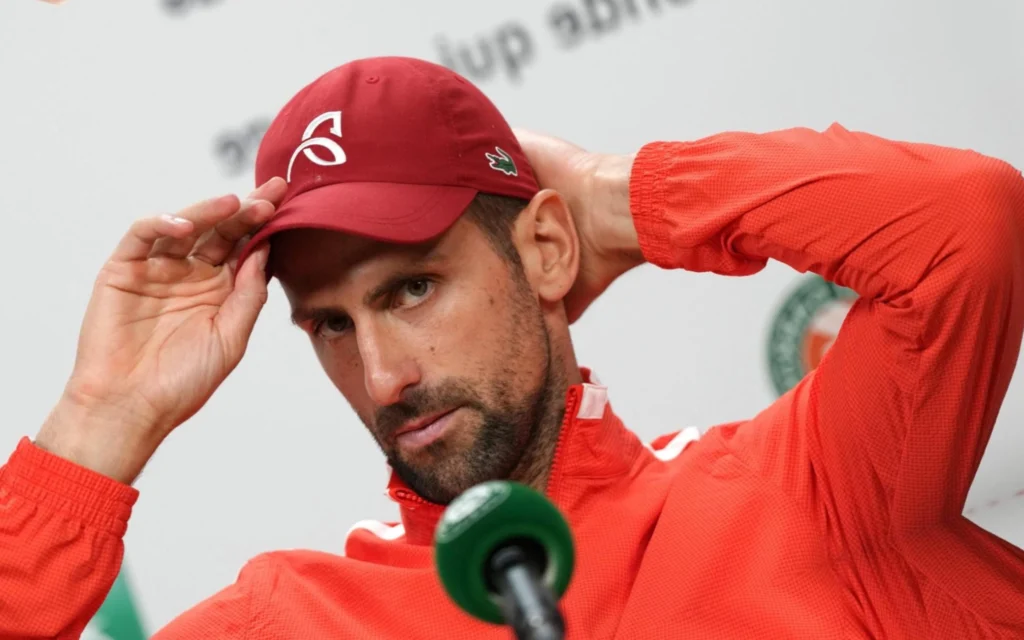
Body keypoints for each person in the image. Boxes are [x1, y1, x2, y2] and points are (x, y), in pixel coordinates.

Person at [2, 55, 1023, 639]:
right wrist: (100, 424)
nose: (385, 375)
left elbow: (965, 227)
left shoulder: (807, 485)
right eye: (331, 324)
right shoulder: (298, 621)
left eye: (411, 287)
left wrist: (626, 202)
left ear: (540, 247)